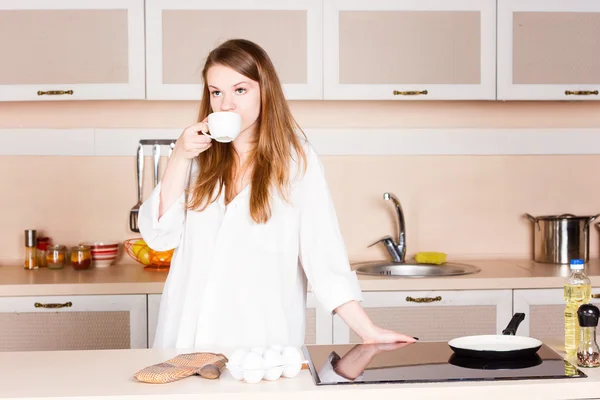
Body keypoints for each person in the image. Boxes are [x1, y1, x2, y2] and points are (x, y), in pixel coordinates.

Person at [139, 39, 416, 349]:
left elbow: (323, 259)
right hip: (186, 338)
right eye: (217, 92)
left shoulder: (297, 162)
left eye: (240, 90)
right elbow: (159, 236)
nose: (226, 104)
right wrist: (179, 155)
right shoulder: (198, 159)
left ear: (264, 91)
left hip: (259, 345)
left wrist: (368, 331)